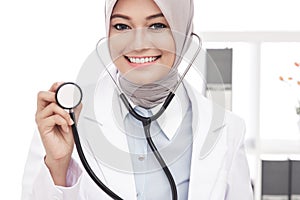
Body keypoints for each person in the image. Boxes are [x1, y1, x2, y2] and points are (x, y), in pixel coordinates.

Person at [21, 0, 254, 199]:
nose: (139, 44)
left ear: (182, 30)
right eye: (122, 26)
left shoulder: (227, 131)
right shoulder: (65, 119)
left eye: (157, 25)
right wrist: (59, 166)